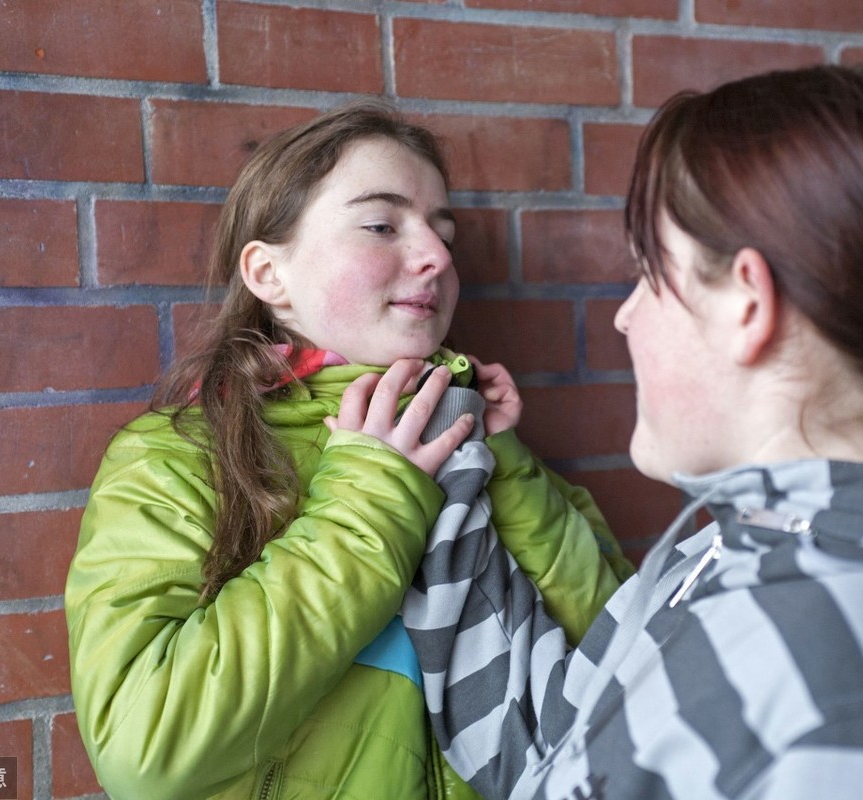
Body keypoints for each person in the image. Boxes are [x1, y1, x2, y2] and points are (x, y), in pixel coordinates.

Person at [347, 65, 863, 798]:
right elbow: (547, 748)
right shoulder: (733, 547)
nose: (624, 315)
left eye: (648, 274)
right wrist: (439, 465)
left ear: (748, 303)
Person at [64, 100, 633, 800]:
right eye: (380, 225)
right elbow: (146, 749)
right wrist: (372, 499)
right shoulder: (177, 459)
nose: (436, 255)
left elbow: (628, 662)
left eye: (440, 229)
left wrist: (503, 462)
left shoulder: (485, 445)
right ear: (269, 275)